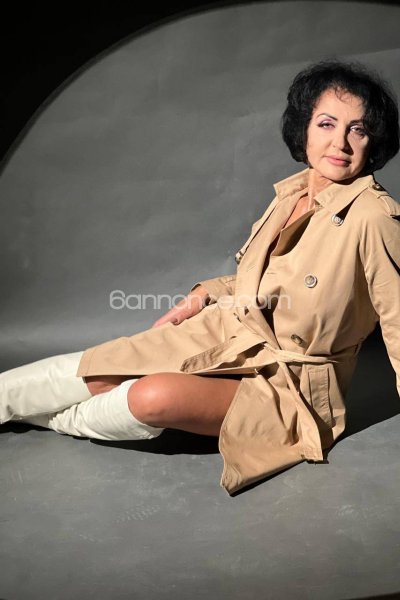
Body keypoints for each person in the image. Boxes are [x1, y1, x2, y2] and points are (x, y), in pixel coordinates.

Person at [1, 59, 399, 495]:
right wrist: (205, 294)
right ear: (303, 129)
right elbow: (268, 282)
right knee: (99, 371)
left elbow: (397, 320)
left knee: (151, 397)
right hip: (231, 330)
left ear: (373, 142)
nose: (340, 142)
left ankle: (48, 419)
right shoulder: (294, 193)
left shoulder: (374, 217)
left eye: (358, 130)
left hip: (289, 385)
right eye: (326, 124)